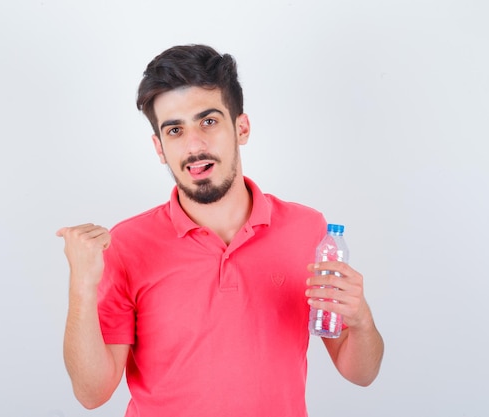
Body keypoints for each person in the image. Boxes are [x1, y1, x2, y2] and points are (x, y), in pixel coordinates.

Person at [56, 44, 384, 417]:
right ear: (159, 148)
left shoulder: (308, 231)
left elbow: (361, 372)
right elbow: (92, 393)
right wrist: (81, 287)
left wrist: (361, 320)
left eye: (208, 121)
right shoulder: (127, 244)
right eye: (175, 130)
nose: (194, 146)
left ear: (241, 127)